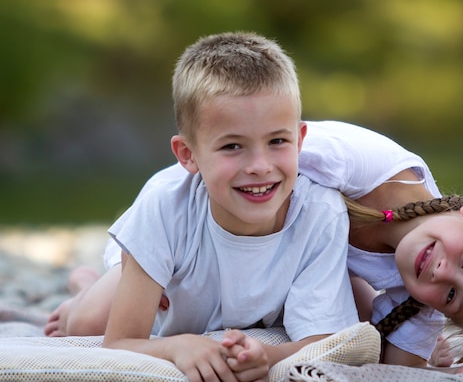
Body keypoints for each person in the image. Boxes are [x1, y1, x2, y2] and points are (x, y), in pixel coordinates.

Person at [47, 121, 463, 376]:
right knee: (89, 325)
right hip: (201, 220)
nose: (441, 272)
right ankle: (86, 283)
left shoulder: (420, 303)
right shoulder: (356, 164)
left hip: (272, 273)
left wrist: (443, 373)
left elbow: (386, 371)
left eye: (451, 296)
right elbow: (245, 161)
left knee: (362, 326)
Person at [68, 32, 361, 382]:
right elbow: (120, 341)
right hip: (160, 264)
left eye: (277, 141)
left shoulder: (320, 212)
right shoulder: (165, 205)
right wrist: (176, 346)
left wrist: (269, 356)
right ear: (188, 155)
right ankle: (83, 285)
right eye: (233, 146)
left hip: (228, 289)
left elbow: (324, 342)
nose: (260, 166)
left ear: (299, 140)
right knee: (87, 324)